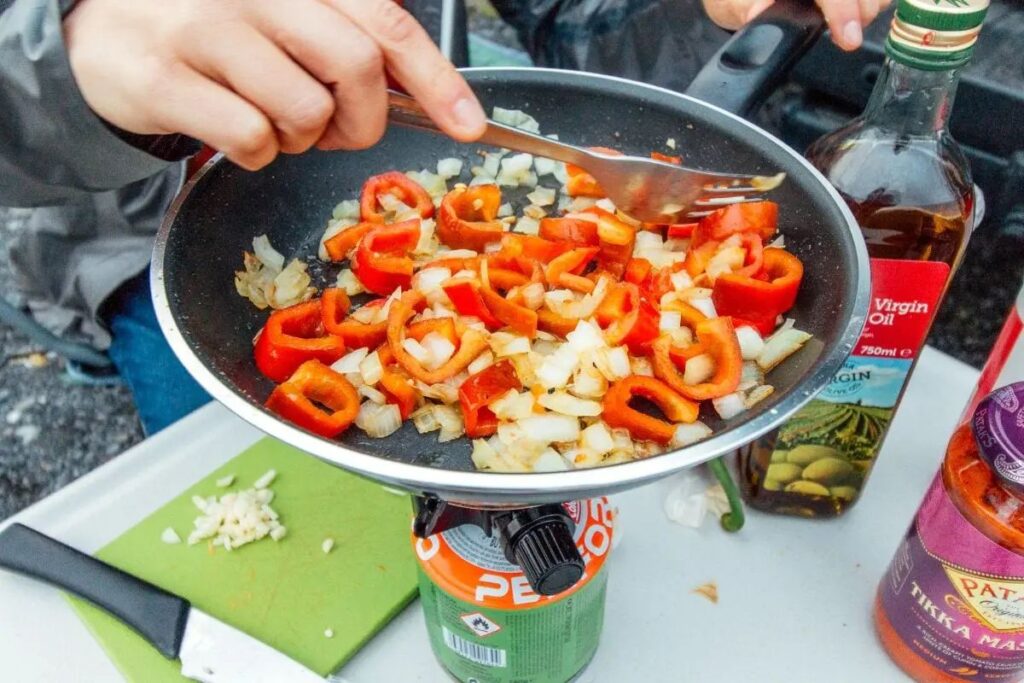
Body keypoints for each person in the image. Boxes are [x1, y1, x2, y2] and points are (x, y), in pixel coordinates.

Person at [0, 0, 883, 435]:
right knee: (235, 496)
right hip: (117, 238)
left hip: (416, 139)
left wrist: (700, 9)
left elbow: (584, 24)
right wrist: (70, 63)